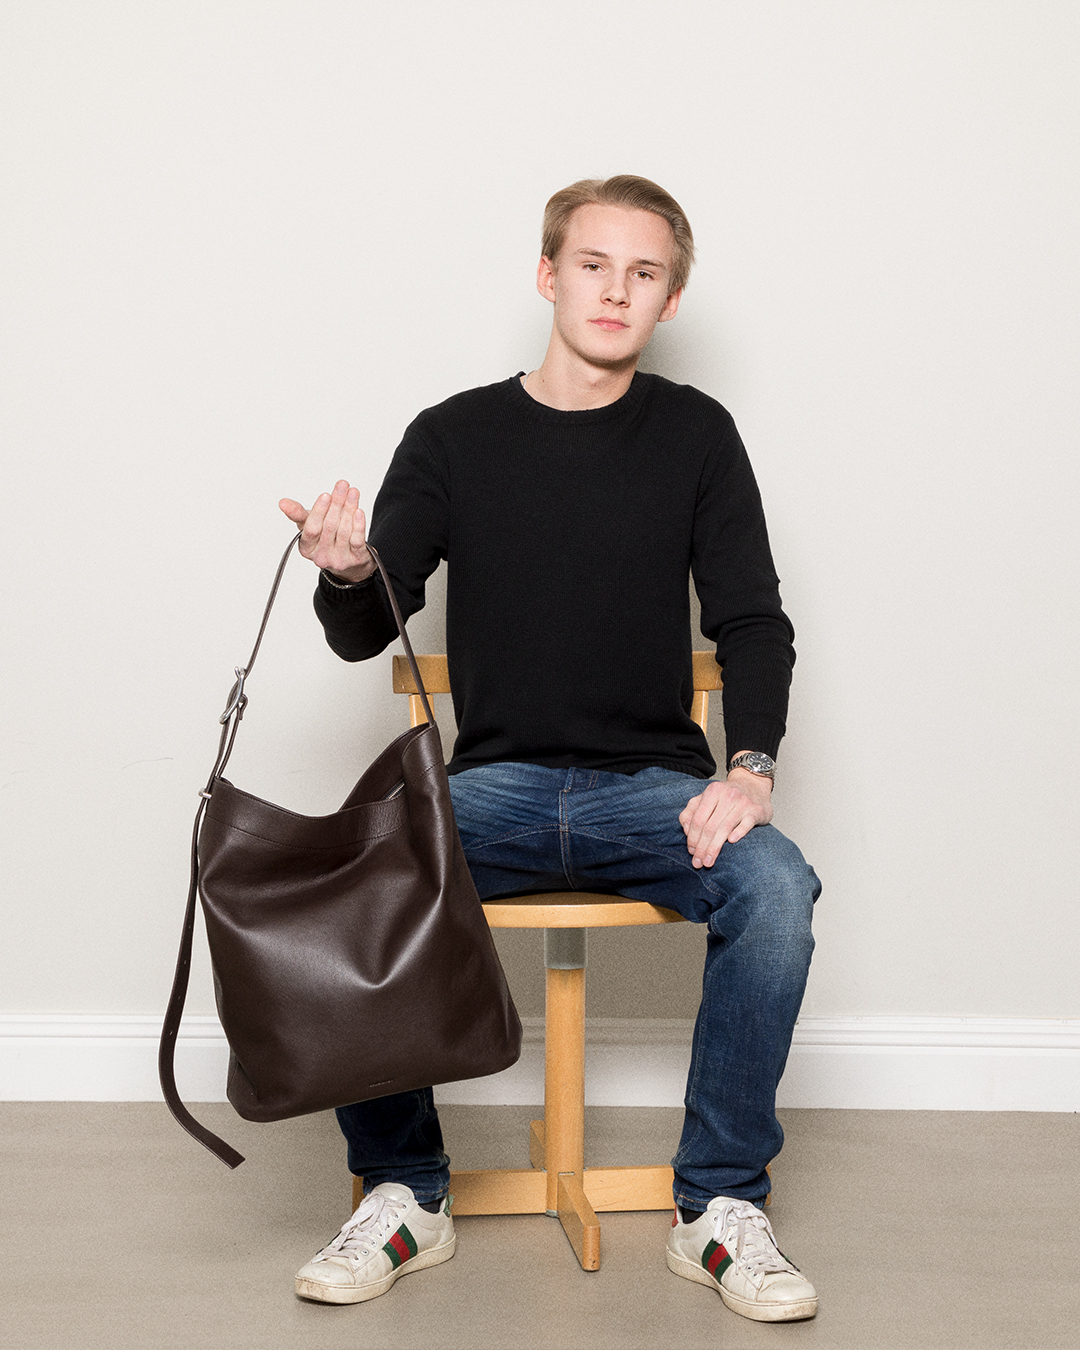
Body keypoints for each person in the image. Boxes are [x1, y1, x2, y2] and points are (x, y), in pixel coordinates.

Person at [279, 175, 820, 1323]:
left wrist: (750, 768)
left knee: (774, 886)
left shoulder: (695, 436)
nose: (614, 289)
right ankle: (404, 1191)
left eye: (643, 272)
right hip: (497, 790)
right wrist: (345, 572)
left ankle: (718, 1206)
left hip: (653, 792)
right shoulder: (454, 435)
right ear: (547, 274)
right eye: (591, 264)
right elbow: (370, 625)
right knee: (350, 881)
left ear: (670, 297)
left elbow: (753, 621)